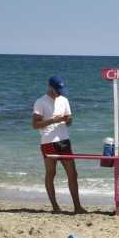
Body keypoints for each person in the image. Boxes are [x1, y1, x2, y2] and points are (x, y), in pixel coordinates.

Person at [33, 75, 87, 214]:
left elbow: (69, 121)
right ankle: (56, 207)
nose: (59, 93)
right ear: (50, 87)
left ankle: (77, 207)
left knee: (73, 174)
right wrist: (53, 121)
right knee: (51, 173)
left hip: (64, 140)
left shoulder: (64, 100)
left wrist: (67, 120)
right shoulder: (40, 102)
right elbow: (35, 124)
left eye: (61, 90)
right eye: (57, 90)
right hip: (48, 141)